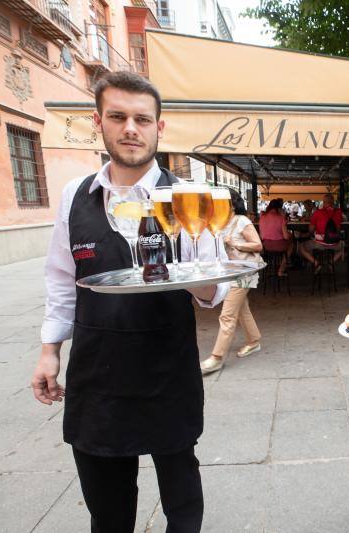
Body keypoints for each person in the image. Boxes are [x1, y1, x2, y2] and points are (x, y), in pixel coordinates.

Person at [30, 71, 229, 532]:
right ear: (99, 122)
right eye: (118, 117)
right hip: (99, 372)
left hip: (167, 370)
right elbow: (62, 279)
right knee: (108, 509)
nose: (130, 129)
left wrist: (194, 273)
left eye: (142, 118)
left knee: (182, 500)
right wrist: (48, 351)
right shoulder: (73, 197)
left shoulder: (188, 199)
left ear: (160, 127)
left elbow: (214, 293)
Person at [201, 189, 263, 375]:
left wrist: (234, 243)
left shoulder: (241, 221)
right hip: (231, 273)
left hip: (245, 272)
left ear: (231, 203)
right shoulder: (220, 222)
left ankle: (217, 358)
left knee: (227, 315)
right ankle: (254, 341)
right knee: (241, 308)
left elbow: (258, 245)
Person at [299, 193, 344, 272]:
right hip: (334, 243)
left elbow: (311, 230)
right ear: (333, 202)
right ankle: (331, 262)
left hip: (320, 244)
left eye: (323, 202)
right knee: (343, 248)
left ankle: (316, 263)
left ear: (325, 202)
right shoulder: (338, 212)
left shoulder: (317, 213)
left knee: (301, 247)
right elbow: (340, 226)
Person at [258, 198, 293, 276]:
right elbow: (286, 237)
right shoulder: (280, 218)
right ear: (279, 208)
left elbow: (261, 235)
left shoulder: (262, 217)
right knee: (291, 245)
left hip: (265, 246)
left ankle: (269, 268)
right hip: (279, 246)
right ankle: (281, 270)